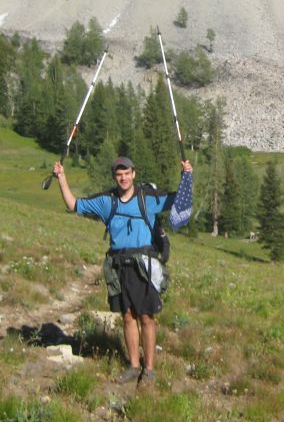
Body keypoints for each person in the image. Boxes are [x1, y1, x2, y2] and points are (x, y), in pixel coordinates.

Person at [53, 155, 193, 385]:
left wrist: (186, 176)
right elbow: (73, 205)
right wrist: (62, 178)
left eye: (127, 173)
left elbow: (179, 201)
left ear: (134, 174)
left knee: (147, 317)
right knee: (127, 317)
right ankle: (133, 365)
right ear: (115, 177)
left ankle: (149, 370)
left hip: (144, 266)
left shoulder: (148, 198)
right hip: (118, 266)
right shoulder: (106, 201)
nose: (123, 178)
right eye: (119, 174)